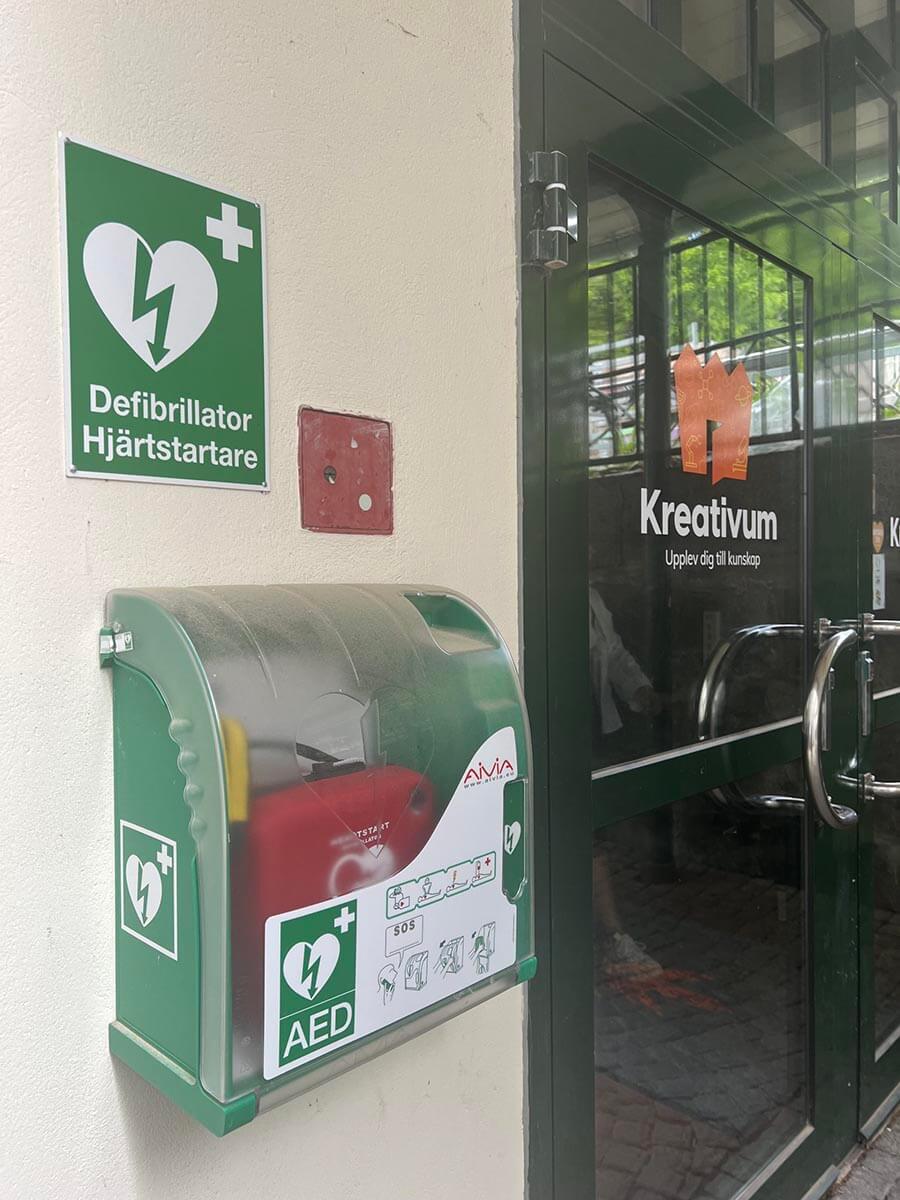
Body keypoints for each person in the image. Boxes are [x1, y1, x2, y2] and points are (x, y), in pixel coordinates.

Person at [590, 587, 662, 973]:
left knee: (591, 832)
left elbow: (612, 651)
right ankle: (611, 938)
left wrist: (638, 687)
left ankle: (609, 938)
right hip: (557, 723)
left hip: (589, 726)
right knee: (589, 834)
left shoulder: (591, 598)